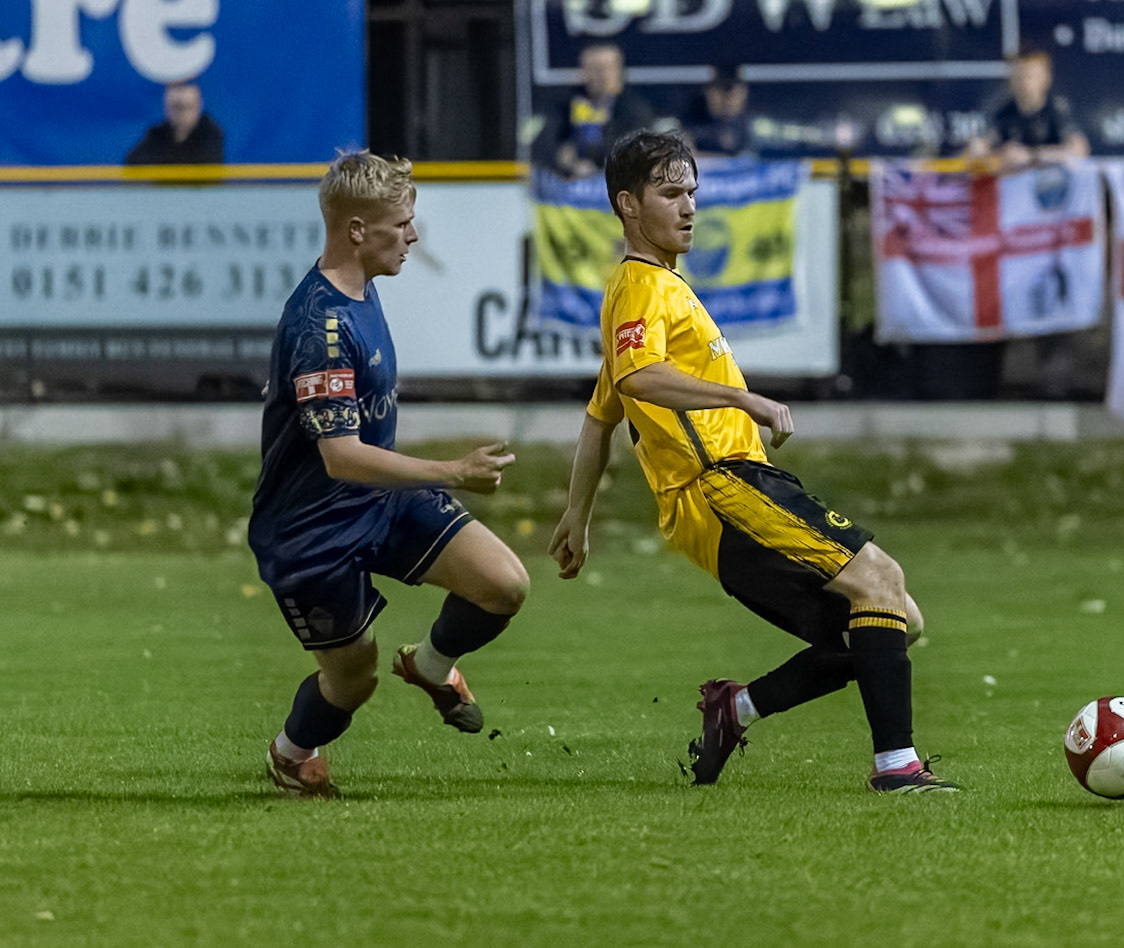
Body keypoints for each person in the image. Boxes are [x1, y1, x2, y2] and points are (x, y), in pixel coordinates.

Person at [547, 131, 956, 794]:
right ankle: (897, 769)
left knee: (892, 622)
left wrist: (576, 515)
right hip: (722, 486)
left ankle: (734, 710)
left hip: (723, 503)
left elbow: (601, 414)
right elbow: (637, 381)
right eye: (670, 192)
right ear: (627, 205)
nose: (688, 208)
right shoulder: (640, 288)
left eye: (692, 193)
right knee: (881, 580)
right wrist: (743, 396)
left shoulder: (658, 291)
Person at [249, 151, 529, 798]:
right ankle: (293, 753)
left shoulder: (362, 288)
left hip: (379, 503)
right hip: (310, 531)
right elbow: (340, 456)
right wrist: (453, 470)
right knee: (354, 680)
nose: (413, 235)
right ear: (355, 230)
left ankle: (431, 666)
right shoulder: (319, 327)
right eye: (401, 223)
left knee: (504, 585)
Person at [533, 44, 656, 179]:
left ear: (618, 71)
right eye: (593, 69)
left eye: (605, 69)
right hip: (569, 186)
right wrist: (561, 157)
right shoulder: (567, 105)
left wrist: (596, 161)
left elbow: (637, 150)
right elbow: (542, 144)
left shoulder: (635, 109)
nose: (599, 76)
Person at [968, 50, 1088, 171]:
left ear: (1046, 79)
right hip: (1012, 183)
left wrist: (1032, 156)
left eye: (1029, 76)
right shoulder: (1001, 111)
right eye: (1018, 76)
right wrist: (995, 155)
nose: (1024, 83)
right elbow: (979, 148)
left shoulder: (1058, 109)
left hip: (1054, 183)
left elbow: (1079, 149)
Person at [125, 81, 225, 165]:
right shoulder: (157, 135)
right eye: (176, 108)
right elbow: (133, 162)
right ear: (166, 107)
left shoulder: (211, 133)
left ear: (199, 105)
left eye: (186, 108)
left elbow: (206, 165)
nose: (182, 115)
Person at [684, 65, 754, 157]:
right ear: (708, 92)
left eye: (732, 95)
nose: (727, 101)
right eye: (720, 92)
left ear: (744, 93)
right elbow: (687, 154)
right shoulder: (692, 122)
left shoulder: (752, 126)